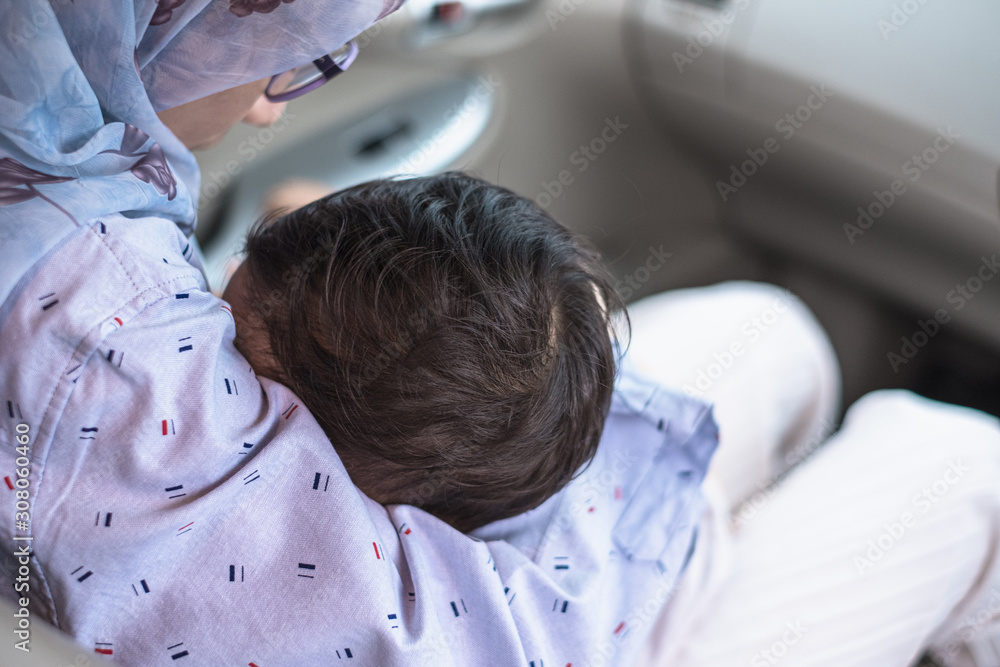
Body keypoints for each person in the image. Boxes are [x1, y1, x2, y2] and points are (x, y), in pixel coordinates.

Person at [2, 3, 999, 667]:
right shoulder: (94, 349)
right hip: (610, 624)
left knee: (766, 329)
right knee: (959, 463)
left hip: (601, 547)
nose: (273, 101)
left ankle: (743, 546)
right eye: (309, 50)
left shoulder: (75, 224)